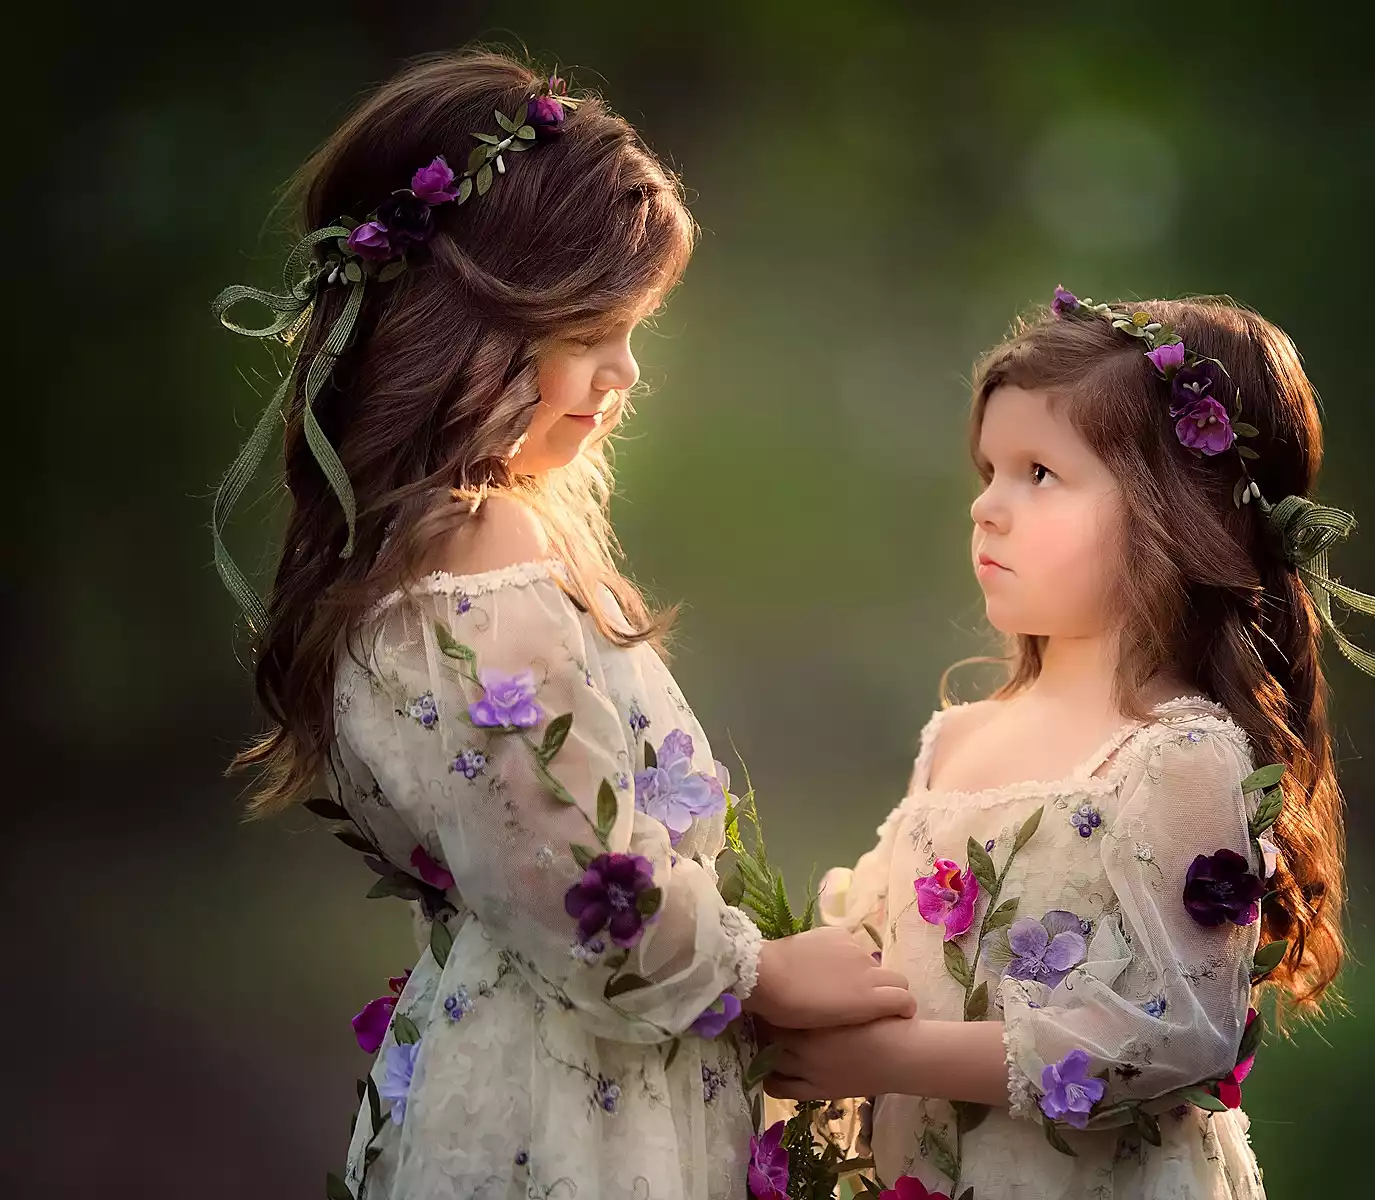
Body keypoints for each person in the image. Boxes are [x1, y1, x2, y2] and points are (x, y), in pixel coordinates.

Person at [213, 49, 912, 1200]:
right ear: (461, 324)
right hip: (580, 1101)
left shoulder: (402, 553)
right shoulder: (478, 554)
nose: (623, 372)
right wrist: (769, 973)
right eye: (589, 332)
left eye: (633, 331)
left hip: (516, 1059)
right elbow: (586, 885)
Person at [777, 289, 1375, 1198]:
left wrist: (896, 1057)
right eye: (989, 470)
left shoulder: (1180, 756)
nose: (988, 508)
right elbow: (887, 951)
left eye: (1039, 473)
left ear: (1175, 509)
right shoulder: (957, 736)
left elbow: (1182, 1032)